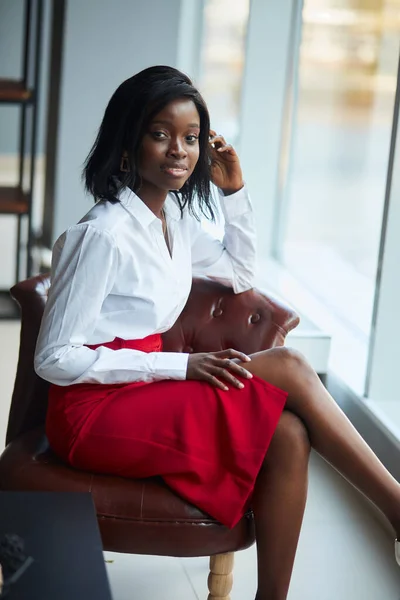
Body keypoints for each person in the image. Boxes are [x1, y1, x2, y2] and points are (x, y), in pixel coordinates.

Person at [34, 65, 400, 600]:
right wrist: (178, 366)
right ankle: (395, 508)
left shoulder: (172, 221)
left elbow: (241, 274)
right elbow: (54, 358)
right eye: (160, 134)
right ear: (128, 143)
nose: (179, 150)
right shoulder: (104, 235)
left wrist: (234, 194)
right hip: (91, 410)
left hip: (143, 387)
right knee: (293, 367)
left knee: (290, 434)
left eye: (191, 137)